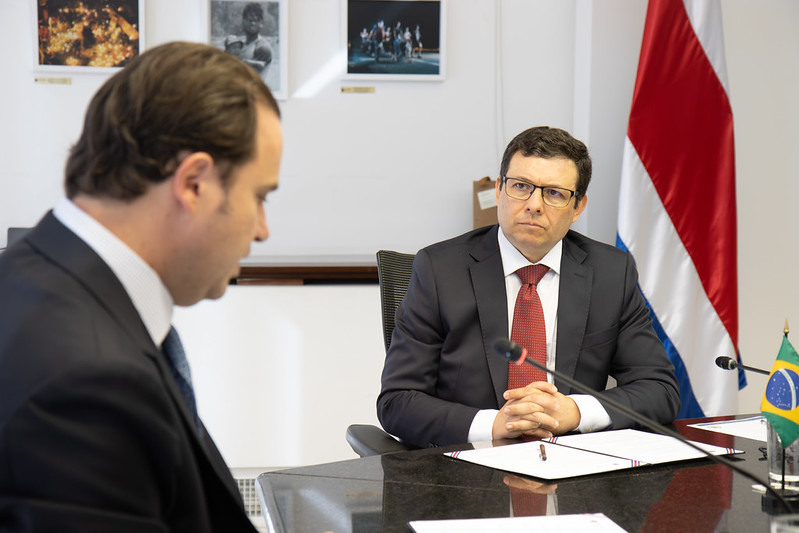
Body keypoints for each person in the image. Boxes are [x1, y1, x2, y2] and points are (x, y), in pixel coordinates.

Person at [0, 41, 282, 532]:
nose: (262, 230)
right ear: (193, 183)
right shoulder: (89, 383)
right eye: (259, 197)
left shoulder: (29, 276)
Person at [377, 126, 680, 449]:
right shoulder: (439, 270)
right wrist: (495, 424)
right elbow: (398, 401)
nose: (534, 204)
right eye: (521, 186)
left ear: (578, 207)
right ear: (499, 190)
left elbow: (659, 389)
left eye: (554, 193)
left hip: (573, 463)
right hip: (470, 462)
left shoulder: (611, 273)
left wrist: (575, 412)